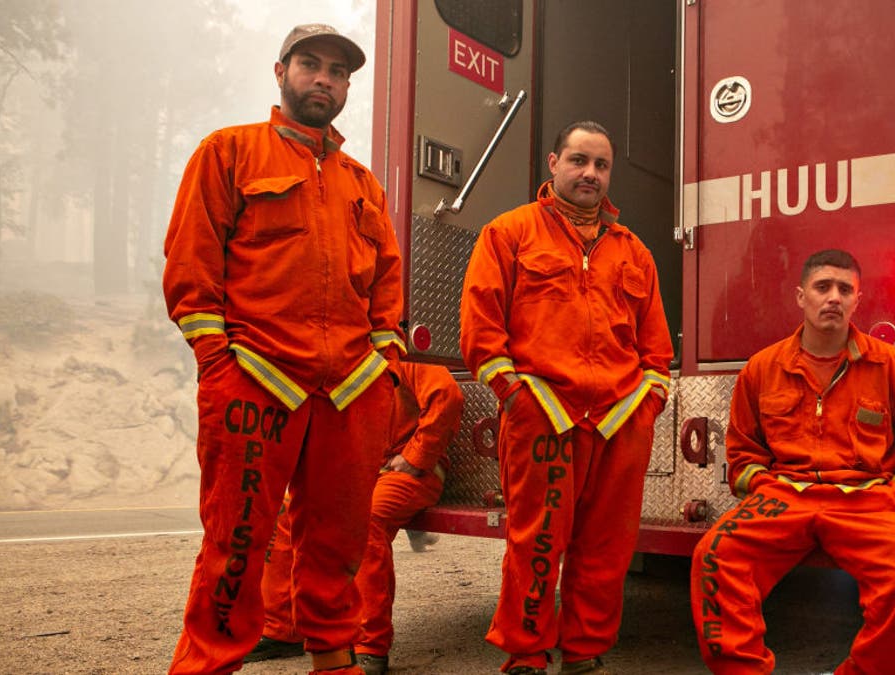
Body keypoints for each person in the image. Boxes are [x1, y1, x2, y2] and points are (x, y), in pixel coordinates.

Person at [162, 23, 405, 675]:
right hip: (256, 378)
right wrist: (218, 362)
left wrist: (381, 363)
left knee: (336, 544)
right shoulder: (229, 152)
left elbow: (387, 279)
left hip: (349, 391)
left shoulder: (362, 182)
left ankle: (334, 659)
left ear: (348, 86)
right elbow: (191, 262)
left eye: (337, 71)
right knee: (236, 542)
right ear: (280, 71)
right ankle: (208, 663)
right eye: (310, 65)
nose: (323, 78)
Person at [459, 121, 674, 675]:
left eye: (601, 165)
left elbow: (656, 349)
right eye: (579, 161)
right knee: (536, 543)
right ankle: (526, 654)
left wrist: (648, 401)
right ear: (553, 163)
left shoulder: (635, 252)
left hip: (620, 420)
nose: (590, 174)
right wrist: (517, 395)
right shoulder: (509, 233)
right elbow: (481, 332)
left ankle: (585, 653)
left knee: (606, 548)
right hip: (544, 417)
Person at [690, 249, 895, 674]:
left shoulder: (892, 367)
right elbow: (741, 452)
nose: (833, 297)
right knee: (714, 556)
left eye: (845, 289)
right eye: (822, 287)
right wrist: (762, 486)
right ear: (800, 296)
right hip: (784, 496)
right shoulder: (763, 368)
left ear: (857, 300)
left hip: (867, 500)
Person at [247, 361, 464, 675]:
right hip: (358, 468)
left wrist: (416, 456)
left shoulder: (407, 357)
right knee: (286, 509)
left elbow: (448, 396)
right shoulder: (345, 356)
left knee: (368, 519)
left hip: (406, 473)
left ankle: (369, 646)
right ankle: (283, 629)